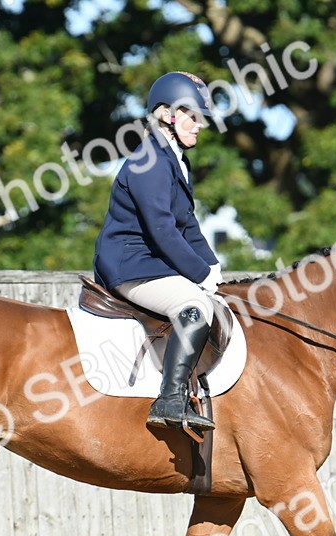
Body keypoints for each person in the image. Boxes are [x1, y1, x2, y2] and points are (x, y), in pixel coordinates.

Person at [93, 71, 222, 432]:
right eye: (192, 116)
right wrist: (199, 276)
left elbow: (188, 225)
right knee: (194, 308)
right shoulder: (149, 161)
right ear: (167, 114)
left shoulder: (175, 159)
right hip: (129, 265)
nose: (199, 125)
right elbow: (162, 229)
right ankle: (170, 399)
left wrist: (213, 267)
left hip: (150, 262)